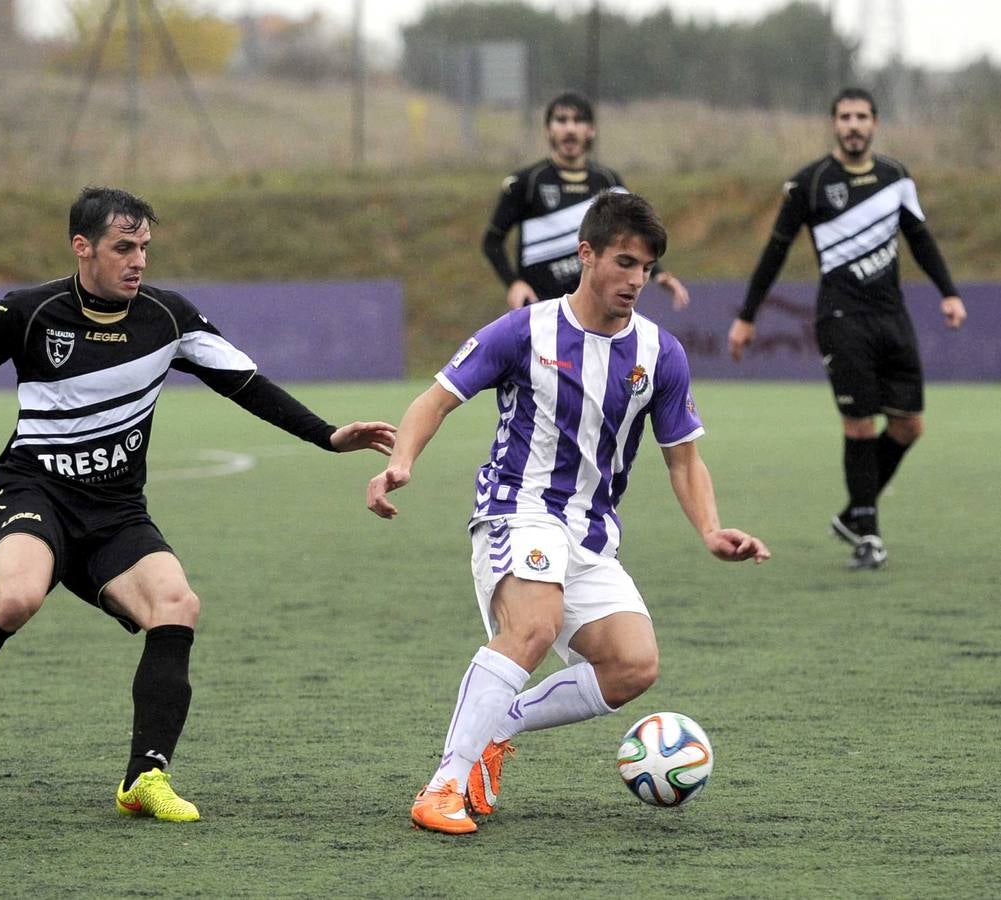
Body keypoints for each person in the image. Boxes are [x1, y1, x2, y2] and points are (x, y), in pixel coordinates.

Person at [0, 186, 396, 821]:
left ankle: (144, 779)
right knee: (18, 595)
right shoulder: (25, 312)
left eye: (144, 248)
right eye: (122, 248)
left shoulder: (169, 318)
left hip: (114, 511)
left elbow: (246, 384)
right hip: (32, 491)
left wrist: (328, 436)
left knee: (177, 605)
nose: (137, 261)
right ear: (82, 248)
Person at [368, 191, 769, 835]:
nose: (637, 280)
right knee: (533, 625)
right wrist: (401, 463)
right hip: (515, 509)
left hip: (589, 534)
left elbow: (684, 460)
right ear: (587, 256)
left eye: (646, 268)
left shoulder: (659, 354)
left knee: (633, 665)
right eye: (625, 262)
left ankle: (496, 728)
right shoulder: (526, 329)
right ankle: (442, 786)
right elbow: (435, 399)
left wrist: (711, 530)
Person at [727, 87, 966, 570]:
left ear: (875, 123)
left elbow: (918, 237)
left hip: (892, 315)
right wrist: (747, 315)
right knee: (859, 425)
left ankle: (854, 512)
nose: (853, 125)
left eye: (861, 116)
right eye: (845, 117)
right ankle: (869, 535)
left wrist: (949, 291)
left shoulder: (896, 176)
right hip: (842, 318)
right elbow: (775, 253)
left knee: (909, 424)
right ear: (834, 123)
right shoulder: (810, 184)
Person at [482, 91, 690, 311]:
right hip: (540, 308)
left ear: (591, 130)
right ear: (548, 130)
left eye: (578, 120)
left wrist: (659, 275)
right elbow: (492, 241)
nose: (570, 128)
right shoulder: (527, 182)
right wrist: (514, 283)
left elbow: (636, 236)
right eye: (561, 120)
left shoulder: (608, 181)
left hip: (594, 310)